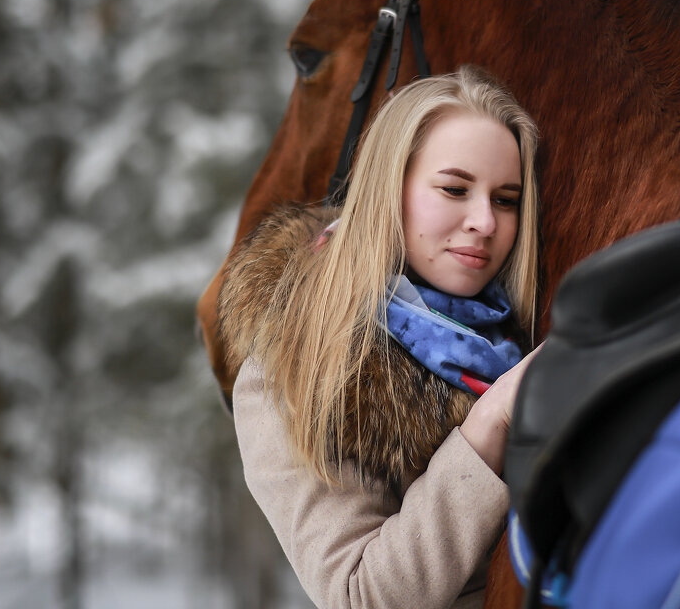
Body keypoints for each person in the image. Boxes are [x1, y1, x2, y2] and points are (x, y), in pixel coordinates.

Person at [224, 67, 541, 609]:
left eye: (506, 199)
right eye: (455, 189)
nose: (485, 221)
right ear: (386, 190)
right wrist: (488, 427)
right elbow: (360, 596)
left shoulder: (525, 323)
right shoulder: (294, 361)